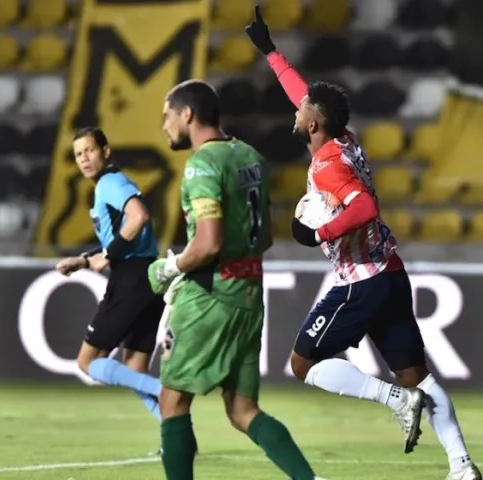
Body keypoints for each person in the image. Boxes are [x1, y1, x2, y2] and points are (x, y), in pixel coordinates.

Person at [245, 7, 483, 480]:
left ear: (314, 124)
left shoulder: (328, 167)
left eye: (303, 109)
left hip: (362, 283)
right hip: (391, 273)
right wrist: (270, 52)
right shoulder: (342, 139)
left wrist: (318, 234)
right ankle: (462, 466)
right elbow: (305, 94)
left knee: (302, 364)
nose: (297, 107)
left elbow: (364, 209)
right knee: (421, 375)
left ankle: (394, 399)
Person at [148, 80, 323, 480]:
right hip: (249, 294)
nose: (164, 125)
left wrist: (170, 268)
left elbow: (207, 243)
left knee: (172, 402)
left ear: (187, 114)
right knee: (243, 411)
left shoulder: (201, 165)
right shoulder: (251, 157)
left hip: (210, 295)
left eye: (167, 116)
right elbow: (264, 237)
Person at [55, 127, 164, 425]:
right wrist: (83, 260)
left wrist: (109, 256)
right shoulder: (111, 184)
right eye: (78, 154)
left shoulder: (109, 183)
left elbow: (139, 216)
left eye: (90, 150)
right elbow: (114, 238)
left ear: (106, 151)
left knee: (87, 362)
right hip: (149, 278)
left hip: (131, 278)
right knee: (135, 369)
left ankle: (164, 391)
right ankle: (176, 435)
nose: (84, 158)